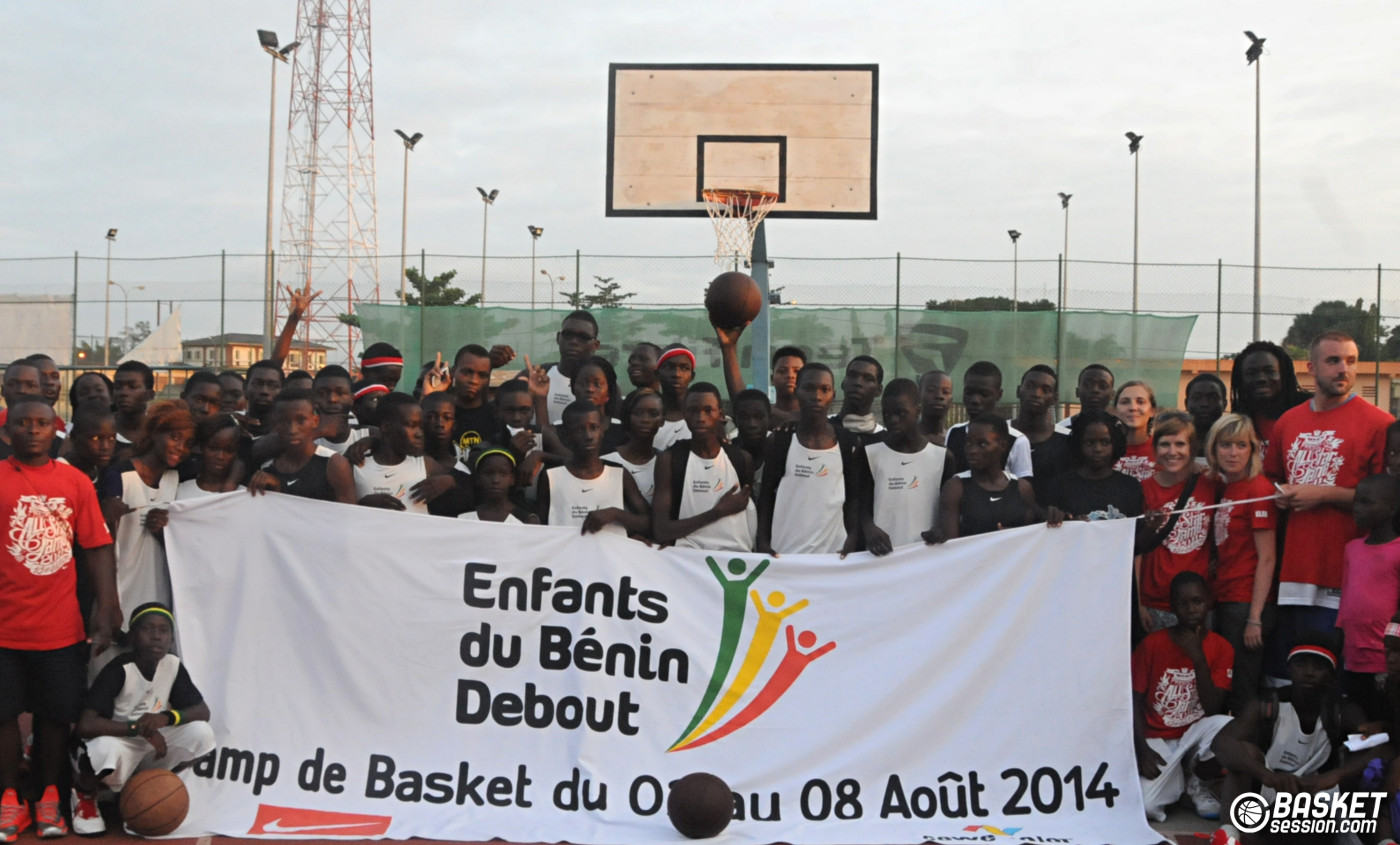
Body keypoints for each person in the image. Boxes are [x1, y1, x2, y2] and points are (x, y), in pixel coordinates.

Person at [0, 396, 119, 842]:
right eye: (23, 423)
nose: (33, 430)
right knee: (3, 717)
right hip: (4, 630)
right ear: (7, 430)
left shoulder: (74, 482)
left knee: (55, 718)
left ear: (56, 430)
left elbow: (97, 546)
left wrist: (107, 607)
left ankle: (50, 795)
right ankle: (9, 798)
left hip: (58, 628)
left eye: (42, 423)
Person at [1266, 332, 1392, 634]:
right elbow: (1270, 477)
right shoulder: (1288, 421)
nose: (1344, 369)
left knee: (1338, 671)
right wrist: (1277, 494)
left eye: (1351, 361)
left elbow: (1387, 501)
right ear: (1311, 367)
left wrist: (1322, 494)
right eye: (1333, 361)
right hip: (1295, 568)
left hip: (1350, 570)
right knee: (1296, 670)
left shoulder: (1379, 423)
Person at [1211, 630, 1381, 845]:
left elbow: (1380, 749)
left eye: (1319, 667)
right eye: (1301, 664)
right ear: (1289, 669)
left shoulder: (1344, 710)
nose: (1308, 672)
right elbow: (1222, 743)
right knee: (1244, 754)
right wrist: (1265, 775)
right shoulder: (1267, 704)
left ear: (1332, 675)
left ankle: (1367, 838)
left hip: (1319, 793)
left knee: (1361, 764)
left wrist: (1335, 776)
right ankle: (1229, 835)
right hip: (1272, 788)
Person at [71, 603, 216, 835]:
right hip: (119, 739)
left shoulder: (172, 665)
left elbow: (201, 711)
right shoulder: (119, 669)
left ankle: (147, 788)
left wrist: (167, 717)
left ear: (170, 638)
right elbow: (85, 725)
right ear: (134, 636)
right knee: (104, 749)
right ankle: (85, 795)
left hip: (149, 743)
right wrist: (137, 729)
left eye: (164, 630)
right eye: (148, 629)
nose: (157, 636)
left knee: (201, 733)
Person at [1133, 572, 1233, 823]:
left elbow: (1213, 708)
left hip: (1194, 734)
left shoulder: (1222, 647)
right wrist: (1141, 748)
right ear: (1172, 606)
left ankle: (1197, 783)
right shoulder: (1152, 644)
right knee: (1147, 806)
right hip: (1157, 737)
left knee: (1227, 725)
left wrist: (1198, 657)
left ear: (1209, 602)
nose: (1190, 610)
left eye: (1197, 602)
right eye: (1183, 603)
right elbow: (1132, 701)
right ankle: (1180, 782)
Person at [1204, 414, 1279, 713]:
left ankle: (1243, 753)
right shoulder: (1228, 487)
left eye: (1240, 445)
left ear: (1253, 449)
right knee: (1228, 681)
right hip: (1225, 598)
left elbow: (1268, 558)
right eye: (1225, 445)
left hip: (1246, 603)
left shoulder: (1257, 490)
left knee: (1243, 688)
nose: (1233, 453)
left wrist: (1255, 618)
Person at [99, 401, 195, 618]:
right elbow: (104, 545)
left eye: (188, 442)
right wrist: (109, 602)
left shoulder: (177, 477)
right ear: (154, 433)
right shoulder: (120, 477)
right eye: (175, 437)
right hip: (119, 591)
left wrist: (164, 531)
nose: (181, 447)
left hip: (157, 592)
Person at [756, 364, 859, 556]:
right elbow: (766, 497)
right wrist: (762, 542)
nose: (817, 396)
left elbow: (852, 498)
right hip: (786, 553)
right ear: (796, 392)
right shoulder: (780, 441)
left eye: (824, 390)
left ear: (833, 395)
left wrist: (852, 537)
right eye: (809, 388)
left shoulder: (847, 442)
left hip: (832, 555)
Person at [1138, 412, 1217, 632]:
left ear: (1192, 448)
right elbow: (1137, 552)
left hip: (1199, 601)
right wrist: (1138, 604)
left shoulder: (1211, 483)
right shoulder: (1144, 490)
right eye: (1165, 444)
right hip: (1154, 601)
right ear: (1155, 449)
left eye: (1180, 444)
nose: (1173, 452)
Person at [653, 383, 755, 551]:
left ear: (721, 415)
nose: (700, 417)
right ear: (684, 414)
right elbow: (661, 531)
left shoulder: (741, 459)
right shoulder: (670, 460)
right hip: (688, 562)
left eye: (708, 410)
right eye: (693, 410)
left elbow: (750, 516)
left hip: (732, 560)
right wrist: (718, 511)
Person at [1336, 473, 1400, 722]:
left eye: (1366, 502)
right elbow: (1346, 602)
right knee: (1358, 720)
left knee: (1384, 717)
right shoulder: (1352, 549)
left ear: (1392, 507)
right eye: (1356, 502)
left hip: (1384, 658)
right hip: (1353, 656)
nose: (1357, 509)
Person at [859, 378, 949, 554]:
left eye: (901, 413)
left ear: (918, 410)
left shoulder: (942, 457)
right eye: (887, 414)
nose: (893, 420)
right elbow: (861, 506)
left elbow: (948, 511)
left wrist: (940, 529)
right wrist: (869, 528)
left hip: (925, 555)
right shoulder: (870, 454)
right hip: (881, 555)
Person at [537, 400, 650, 538]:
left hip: (609, 556)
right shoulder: (551, 476)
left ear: (602, 431)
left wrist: (616, 514)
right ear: (565, 436)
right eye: (579, 429)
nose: (588, 436)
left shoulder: (618, 473)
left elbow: (650, 522)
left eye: (594, 427)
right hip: (567, 557)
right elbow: (540, 528)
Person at [939, 414, 1038, 540]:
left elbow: (1031, 540)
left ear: (1002, 445)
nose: (972, 450)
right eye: (968, 442)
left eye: (982, 444)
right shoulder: (955, 488)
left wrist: (1012, 537)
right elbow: (951, 545)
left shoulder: (1022, 489)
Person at [248, 389, 357, 504]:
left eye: (301, 420)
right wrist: (276, 490)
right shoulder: (267, 467)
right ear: (275, 424)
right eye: (284, 421)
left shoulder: (333, 463)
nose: (292, 430)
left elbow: (349, 515)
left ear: (315, 421)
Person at [351, 393, 450, 514]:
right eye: (412, 426)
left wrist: (450, 481)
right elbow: (336, 509)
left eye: (420, 427)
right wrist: (362, 504)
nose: (419, 434)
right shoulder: (357, 465)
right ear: (386, 427)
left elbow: (469, 489)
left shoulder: (425, 465)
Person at [1044, 410, 1146, 524]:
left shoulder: (1130, 486)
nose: (1097, 449)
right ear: (1079, 444)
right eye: (1089, 442)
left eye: (1105, 442)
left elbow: (1136, 535)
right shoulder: (1060, 485)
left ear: (1115, 444)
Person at [944, 361, 1034, 478]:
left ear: (999, 394)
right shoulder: (954, 432)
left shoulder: (1017, 440)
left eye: (984, 394)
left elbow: (1023, 488)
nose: (975, 400)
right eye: (969, 392)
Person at [1230, 340, 1311, 450]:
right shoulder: (1237, 421)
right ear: (1241, 379)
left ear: (1283, 375)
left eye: (1270, 371)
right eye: (1251, 373)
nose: (1261, 379)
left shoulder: (1310, 411)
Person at [1016, 365, 1072, 504]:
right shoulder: (999, 433)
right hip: (1006, 522)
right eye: (1030, 386)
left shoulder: (1068, 439)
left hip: (1053, 521)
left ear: (1055, 398)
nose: (1036, 393)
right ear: (1019, 391)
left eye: (1045, 390)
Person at [539, 311, 601, 424]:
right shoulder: (538, 376)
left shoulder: (606, 386)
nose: (573, 341)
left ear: (595, 345)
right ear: (558, 338)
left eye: (583, 337)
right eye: (568, 334)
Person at [603, 388, 662, 505]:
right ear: (627, 417)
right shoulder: (607, 459)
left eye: (653, 414)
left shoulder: (666, 462)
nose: (645, 420)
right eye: (638, 413)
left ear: (662, 420)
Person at [459, 449, 538, 524]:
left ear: (512, 479)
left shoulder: (527, 520)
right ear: (478, 478)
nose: (496, 480)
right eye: (488, 473)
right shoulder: (464, 517)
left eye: (503, 474)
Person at [177, 415, 244, 499]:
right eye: (213, 448)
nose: (220, 456)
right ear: (202, 447)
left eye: (229, 451)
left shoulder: (245, 495)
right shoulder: (179, 490)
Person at [311, 365, 369, 455]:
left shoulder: (368, 435)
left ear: (351, 399)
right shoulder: (300, 440)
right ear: (313, 399)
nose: (332, 399)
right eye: (322, 393)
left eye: (340, 393)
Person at [653, 344, 697, 452]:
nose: (677, 374)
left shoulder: (701, 418)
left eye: (684, 368)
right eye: (669, 367)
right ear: (657, 374)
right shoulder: (647, 417)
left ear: (692, 376)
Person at [831, 356, 885, 442]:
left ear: (879, 390)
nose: (858, 382)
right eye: (852, 375)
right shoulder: (821, 429)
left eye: (868, 379)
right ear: (843, 383)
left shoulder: (885, 441)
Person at [1113, 380, 1158, 481]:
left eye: (1140, 402)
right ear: (1115, 411)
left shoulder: (1165, 449)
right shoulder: (1104, 450)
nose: (1133, 407)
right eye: (1125, 402)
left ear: (1152, 411)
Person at [1056, 364, 1115, 433]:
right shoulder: (1061, 430)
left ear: (1112, 395)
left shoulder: (1119, 430)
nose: (1095, 390)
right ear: (1077, 392)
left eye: (1103, 386)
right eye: (1088, 385)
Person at [732, 389, 772, 488]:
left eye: (758, 417)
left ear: (770, 418)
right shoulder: (727, 455)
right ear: (734, 420)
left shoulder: (779, 455)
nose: (752, 424)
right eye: (744, 417)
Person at [113, 361, 156, 452]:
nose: (123, 392)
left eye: (132, 387)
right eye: (117, 387)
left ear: (150, 394)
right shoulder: (102, 429)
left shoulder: (158, 432)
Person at [1185, 374, 1227, 462]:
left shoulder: (1234, 446)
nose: (1204, 404)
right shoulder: (1174, 445)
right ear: (1186, 403)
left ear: (1225, 404)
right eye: (1197, 398)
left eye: (1213, 398)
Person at [240, 360, 285, 439]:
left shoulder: (287, 434)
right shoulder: (231, 428)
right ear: (245, 388)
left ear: (282, 390)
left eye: (273, 386)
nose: (264, 391)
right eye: (257, 384)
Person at [917, 370, 953, 446]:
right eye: (931, 390)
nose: (939, 396)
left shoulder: (954, 440)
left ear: (951, 400)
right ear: (918, 395)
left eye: (945, 392)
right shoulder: (906, 437)